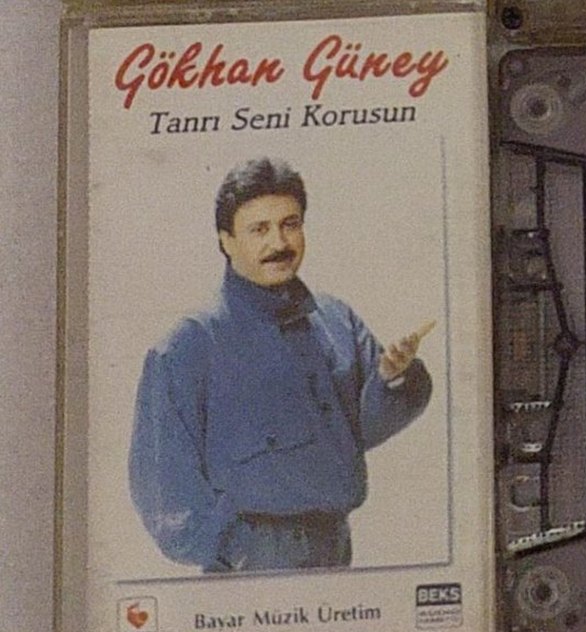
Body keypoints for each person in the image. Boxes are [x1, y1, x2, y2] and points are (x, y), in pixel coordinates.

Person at [129, 157, 434, 573]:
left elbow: (365, 429)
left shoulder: (336, 319)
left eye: (290, 224)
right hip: (251, 563)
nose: (279, 243)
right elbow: (163, 488)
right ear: (226, 241)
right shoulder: (188, 345)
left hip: (335, 550)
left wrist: (392, 379)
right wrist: (235, 550)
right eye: (259, 229)